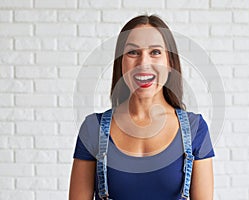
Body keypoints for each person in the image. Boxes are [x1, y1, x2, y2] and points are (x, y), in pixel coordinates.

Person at [69, 15, 215, 200]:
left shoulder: (196, 129)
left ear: (170, 63)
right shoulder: (92, 129)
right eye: (133, 52)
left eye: (155, 52)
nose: (143, 63)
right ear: (121, 62)